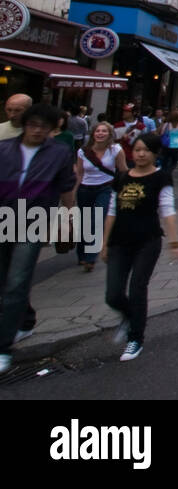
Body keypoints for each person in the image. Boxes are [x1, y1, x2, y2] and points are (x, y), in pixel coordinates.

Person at [0, 103, 77, 373]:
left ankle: (3, 346)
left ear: (51, 128)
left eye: (43, 127)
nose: (37, 130)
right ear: (24, 124)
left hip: (33, 221)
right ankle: (26, 320)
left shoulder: (59, 152)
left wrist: (71, 216)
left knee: (17, 280)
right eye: (32, 125)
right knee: (5, 280)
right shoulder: (4, 148)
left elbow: (66, 185)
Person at [101, 133, 178, 361]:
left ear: (155, 154)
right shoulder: (122, 178)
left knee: (138, 288)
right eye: (137, 150)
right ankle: (129, 317)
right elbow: (111, 212)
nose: (141, 154)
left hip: (148, 241)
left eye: (146, 150)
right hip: (119, 241)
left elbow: (168, 210)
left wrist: (175, 242)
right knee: (113, 294)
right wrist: (104, 243)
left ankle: (135, 338)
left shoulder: (161, 178)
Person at [75, 122, 128, 273]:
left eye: (104, 131)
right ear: (93, 134)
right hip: (85, 189)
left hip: (106, 188)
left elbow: (123, 170)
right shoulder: (83, 151)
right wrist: (73, 193)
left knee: (97, 220)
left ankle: (90, 257)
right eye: (97, 131)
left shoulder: (116, 150)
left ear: (110, 134)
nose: (100, 133)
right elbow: (79, 173)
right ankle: (82, 253)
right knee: (85, 222)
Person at [159, 110, 178, 178]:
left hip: (166, 144)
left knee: (165, 160)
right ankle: (168, 172)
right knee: (174, 161)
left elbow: (161, 133)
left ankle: (163, 173)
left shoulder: (166, 124)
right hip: (175, 143)